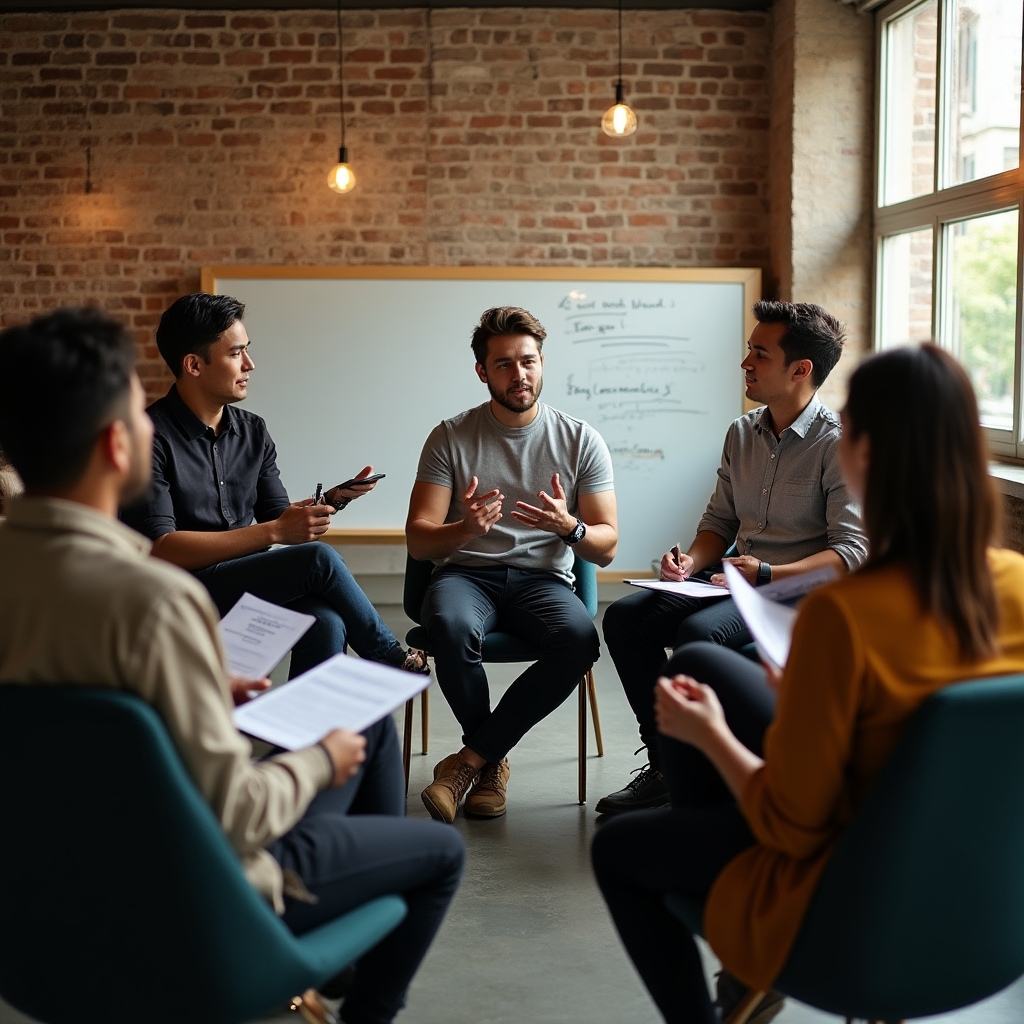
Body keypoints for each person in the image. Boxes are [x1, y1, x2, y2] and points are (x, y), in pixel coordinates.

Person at [0, 308, 464, 1024]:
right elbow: (236, 816)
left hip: (34, 923)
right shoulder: (154, 604)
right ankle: (329, 956)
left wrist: (194, 688)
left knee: (352, 683)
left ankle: (333, 949)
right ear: (116, 444)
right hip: (191, 898)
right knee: (432, 844)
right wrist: (318, 759)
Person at [591, 344, 1024, 1024]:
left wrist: (709, 734)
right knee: (701, 663)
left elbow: (790, 828)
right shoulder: (1016, 584)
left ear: (869, 456)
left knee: (620, 847)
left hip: (852, 904)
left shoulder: (844, 619)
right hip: (992, 912)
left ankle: (735, 983)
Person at [596, 300, 868, 815]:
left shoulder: (838, 445)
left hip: (792, 594)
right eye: (749, 351)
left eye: (759, 355)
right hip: (733, 582)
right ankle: (666, 764)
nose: (745, 364)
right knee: (626, 619)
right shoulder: (741, 433)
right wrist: (690, 563)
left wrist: (769, 572)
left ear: (800, 370)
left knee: (700, 639)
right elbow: (719, 524)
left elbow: (852, 551)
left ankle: (701, 774)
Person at [121, 292, 426, 679]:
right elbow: (162, 549)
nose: (250, 364)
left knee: (326, 621)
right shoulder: (149, 437)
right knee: (321, 559)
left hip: (243, 578)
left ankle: (301, 736)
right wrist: (278, 528)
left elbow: (275, 520)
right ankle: (388, 657)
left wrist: (328, 502)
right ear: (194, 365)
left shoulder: (253, 430)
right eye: (236, 354)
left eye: (247, 350)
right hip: (180, 591)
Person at [406, 305, 618, 823]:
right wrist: (466, 530)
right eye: (503, 364)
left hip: (541, 580)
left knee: (579, 639)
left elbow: (606, 545)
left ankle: (469, 761)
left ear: (542, 362)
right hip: (465, 575)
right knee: (451, 628)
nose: (518, 375)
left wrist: (569, 528)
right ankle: (492, 763)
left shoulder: (580, 439)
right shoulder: (450, 437)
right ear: (482, 371)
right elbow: (419, 539)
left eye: (528, 361)